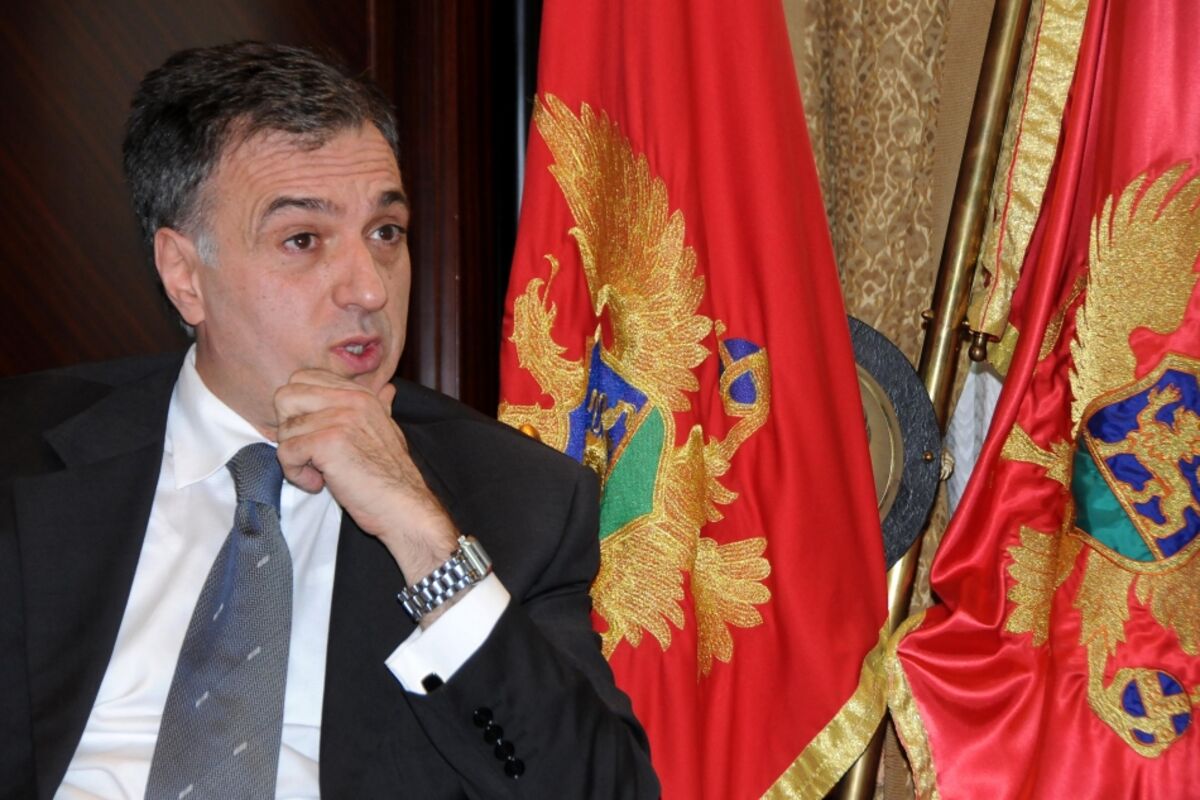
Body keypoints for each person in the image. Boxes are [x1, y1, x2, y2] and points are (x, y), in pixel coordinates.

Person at [0, 41, 658, 799]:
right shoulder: (20, 452)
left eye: (386, 232)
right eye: (303, 240)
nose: (369, 289)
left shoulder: (514, 502)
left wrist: (424, 541)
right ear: (185, 276)